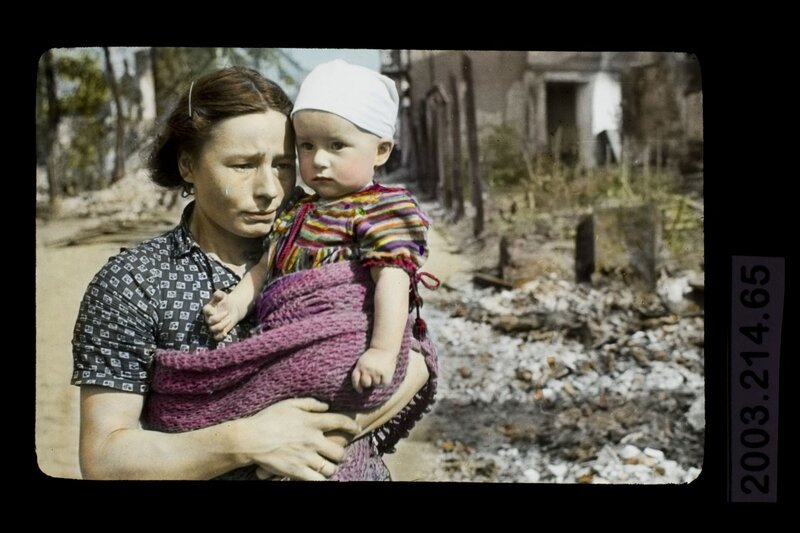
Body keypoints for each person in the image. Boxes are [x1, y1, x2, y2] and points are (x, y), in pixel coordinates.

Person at [71, 66, 432, 481]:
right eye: (243, 165)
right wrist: (248, 440)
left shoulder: (328, 241)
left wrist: (324, 435)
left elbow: (417, 356)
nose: (269, 190)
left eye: (282, 164)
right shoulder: (134, 283)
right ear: (188, 164)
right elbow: (104, 458)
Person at [204, 59, 435, 395]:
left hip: (342, 340)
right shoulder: (299, 207)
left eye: (336, 146)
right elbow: (266, 266)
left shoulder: (383, 210)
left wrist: (381, 352)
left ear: (381, 151)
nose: (319, 160)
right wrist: (236, 305)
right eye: (307, 146)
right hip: (286, 335)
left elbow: (392, 282)